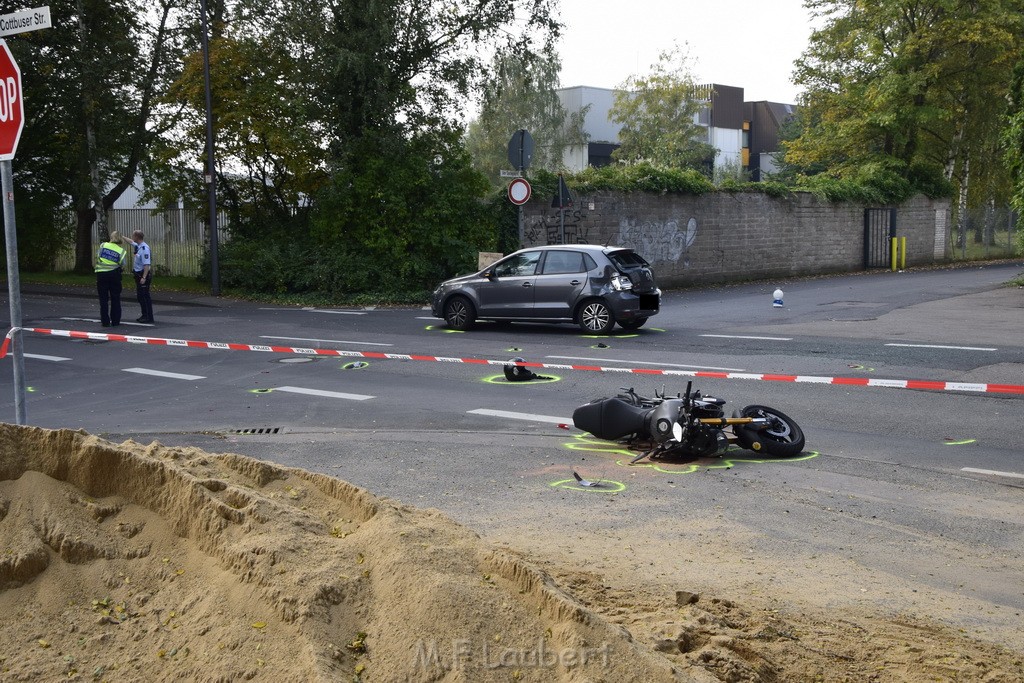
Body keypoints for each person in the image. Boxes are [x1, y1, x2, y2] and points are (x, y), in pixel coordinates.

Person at [95, 230, 128, 327]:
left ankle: (105, 321)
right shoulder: (121, 251)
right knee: (115, 298)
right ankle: (115, 321)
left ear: (111, 237)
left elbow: (98, 256)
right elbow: (123, 265)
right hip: (114, 275)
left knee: (103, 299)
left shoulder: (103, 245)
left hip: (101, 275)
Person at [131, 230, 154, 323]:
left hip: (142, 275)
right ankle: (144, 314)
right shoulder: (138, 246)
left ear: (137, 237)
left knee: (144, 296)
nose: (132, 237)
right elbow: (131, 242)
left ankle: (148, 316)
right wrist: (122, 237)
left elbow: (146, 265)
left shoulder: (144, 249)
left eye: (133, 236)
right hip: (138, 275)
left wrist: (144, 277)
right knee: (140, 296)